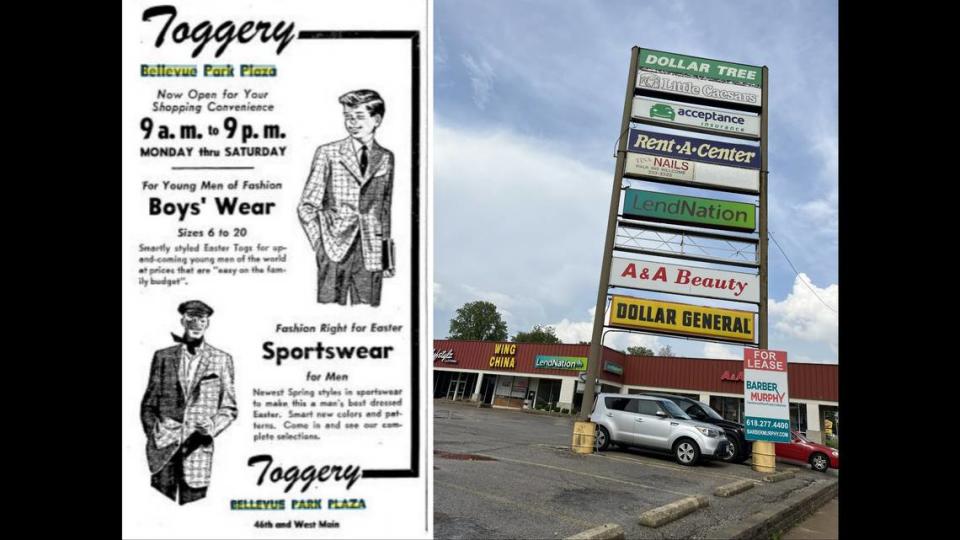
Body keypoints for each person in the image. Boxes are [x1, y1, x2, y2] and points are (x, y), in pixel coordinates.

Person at [298, 89, 395, 306]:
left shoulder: (386, 158)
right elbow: (306, 206)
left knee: (368, 313)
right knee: (329, 313)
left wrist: (387, 258)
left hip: (371, 252)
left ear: (376, 119)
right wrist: (319, 244)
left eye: (359, 117)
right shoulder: (328, 153)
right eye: (347, 117)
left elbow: (385, 210)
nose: (352, 123)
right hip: (333, 247)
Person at [140, 300, 238, 504]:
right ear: (182, 320)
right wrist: (155, 434)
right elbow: (148, 404)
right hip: (163, 450)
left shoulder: (222, 359)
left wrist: (212, 426)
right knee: (158, 506)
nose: (196, 324)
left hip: (198, 451)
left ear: (207, 323)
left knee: (196, 513)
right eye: (191, 318)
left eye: (201, 319)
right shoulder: (163, 357)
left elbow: (229, 408)